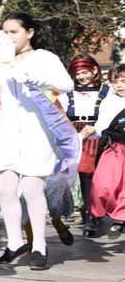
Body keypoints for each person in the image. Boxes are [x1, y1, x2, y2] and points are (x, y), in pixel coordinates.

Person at [0, 14, 74, 270]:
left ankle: (39, 244)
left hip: (36, 131)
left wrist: (33, 79)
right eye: (5, 33)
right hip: (5, 132)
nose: (9, 37)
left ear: (30, 32)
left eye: (14, 31)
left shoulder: (45, 59)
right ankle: (15, 242)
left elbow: (66, 84)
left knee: (32, 188)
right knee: (5, 188)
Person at [63, 55, 109, 235]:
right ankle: (88, 213)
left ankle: (97, 213)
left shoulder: (107, 91)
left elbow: (111, 111)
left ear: (95, 70)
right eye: (78, 73)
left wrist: (97, 128)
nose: (81, 77)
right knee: (83, 175)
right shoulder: (68, 92)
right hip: (76, 134)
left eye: (84, 72)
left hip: (98, 133)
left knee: (99, 176)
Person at [87, 65, 125, 233]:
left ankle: (121, 218)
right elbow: (101, 125)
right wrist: (92, 132)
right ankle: (95, 213)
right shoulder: (108, 102)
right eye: (115, 82)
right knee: (101, 184)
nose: (119, 85)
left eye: (123, 81)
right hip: (113, 148)